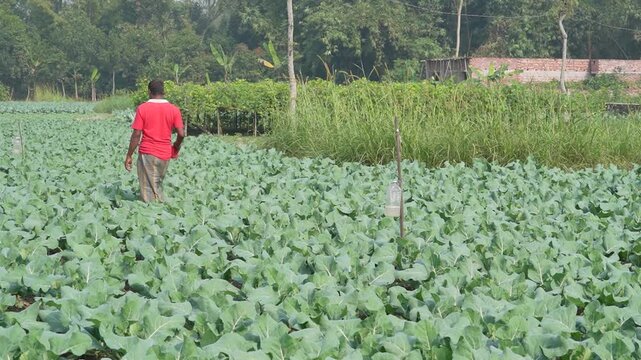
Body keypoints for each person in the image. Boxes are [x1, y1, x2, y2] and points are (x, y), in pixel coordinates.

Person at [124, 79, 185, 202]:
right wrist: (176, 147)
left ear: (149, 92)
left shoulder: (143, 108)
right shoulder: (174, 109)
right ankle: (160, 212)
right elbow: (181, 134)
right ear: (163, 92)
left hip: (148, 153)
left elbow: (136, 134)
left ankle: (154, 214)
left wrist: (129, 155)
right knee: (156, 186)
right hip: (165, 154)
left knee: (148, 190)